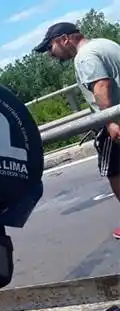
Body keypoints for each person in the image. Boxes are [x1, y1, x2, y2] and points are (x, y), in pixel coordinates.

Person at [34, 22, 120, 239]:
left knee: (115, 172)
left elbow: (101, 85)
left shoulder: (84, 56)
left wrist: (109, 122)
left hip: (115, 118)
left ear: (65, 40)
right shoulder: (104, 43)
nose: (50, 55)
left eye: (50, 48)